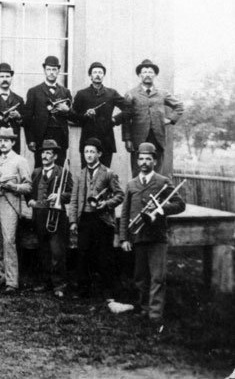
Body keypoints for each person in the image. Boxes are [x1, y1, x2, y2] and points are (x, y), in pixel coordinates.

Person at [119, 142, 186, 326]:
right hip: (138, 237)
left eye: (148, 159)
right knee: (141, 276)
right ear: (137, 161)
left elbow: (180, 205)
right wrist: (124, 237)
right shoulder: (132, 184)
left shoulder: (163, 181)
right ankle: (144, 308)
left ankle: (155, 315)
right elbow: (125, 213)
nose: (144, 162)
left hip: (157, 237)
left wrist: (162, 208)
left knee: (158, 276)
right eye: (141, 158)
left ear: (154, 161)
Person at [69, 138, 124, 300]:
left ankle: (107, 292)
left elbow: (120, 195)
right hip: (85, 219)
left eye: (92, 152)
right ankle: (83, 291)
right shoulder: (80, 174)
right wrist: (73, 221)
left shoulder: (108, 173)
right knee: (83, 254)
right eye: (86, 152)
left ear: (99, 154)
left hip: (102, 220)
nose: (89, 155)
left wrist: (106, 204)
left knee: (104, 256)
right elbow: (74, 199)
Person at [0, 126, 32, 293]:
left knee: (9, 241)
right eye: (0, 140)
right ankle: (3, 276)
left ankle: (12, 282)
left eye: (6, 140)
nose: (2, 143)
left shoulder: (20, 161)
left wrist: (14, 186)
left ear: (13, 142)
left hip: (10, 204)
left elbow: (28, 186)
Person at [26, 140, 73, 297]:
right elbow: (29, 192)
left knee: (57, 252)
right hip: (39, 216)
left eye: (48, 153)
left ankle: (59, 285)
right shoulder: (36, 172)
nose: (45, 156)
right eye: (43, 153)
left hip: (56, 217)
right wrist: (30, 201)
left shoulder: (63, 172)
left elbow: (71, 194)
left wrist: (59, 195)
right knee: (43, 250)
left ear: (55, 156)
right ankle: (45, 282)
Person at [122, 59, 184, 175]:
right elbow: (125, 119)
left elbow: (179, 106)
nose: (147, 75)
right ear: (140, 75)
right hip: (138, 139)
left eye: (150, 72)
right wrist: (127, 139)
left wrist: (170, 119)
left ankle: (155, 193)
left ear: (155, 75)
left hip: (157, 138)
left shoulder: (162, 93)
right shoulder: (131, 94)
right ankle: (138, 193)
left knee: (156, 174)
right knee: (137, 172)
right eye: (144, 72)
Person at [70, 62, 129, 167]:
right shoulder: (82, 94)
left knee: (105, 174)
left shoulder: (111, 93)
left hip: (106, 140)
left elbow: (129, 109)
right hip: (87, 140)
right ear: (90, 76)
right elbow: (73, 116)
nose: (97, 75)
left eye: (100, 72)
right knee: (87, 173)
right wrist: (85, 115)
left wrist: (115, 120)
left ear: (103, 75)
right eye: (95, 72)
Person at [22, 56, 73, 167]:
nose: (51, 72)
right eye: (49, 69)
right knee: (40, 168)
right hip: (41, 137)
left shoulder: (65, 92)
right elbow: (27, 119)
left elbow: (73, 117)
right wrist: (30, 140)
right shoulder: (34, 92)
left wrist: (67, 110)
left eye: (54, 69)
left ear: (58, 71)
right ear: (44, 70)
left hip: (60, 136)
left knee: (59, 168)